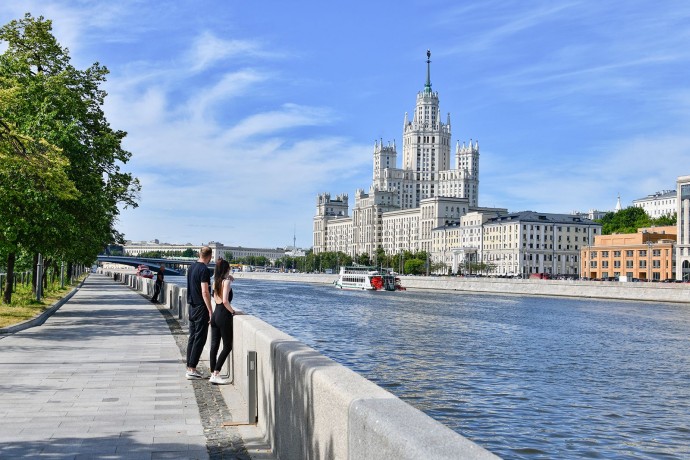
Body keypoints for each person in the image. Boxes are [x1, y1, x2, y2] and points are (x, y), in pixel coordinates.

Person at [209, 259, 244, 384]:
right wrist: (233, 312)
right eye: (228, 268)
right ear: (226, 269)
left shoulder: (215, 282)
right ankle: (217, 373)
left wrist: (227, 277)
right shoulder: (226, 282)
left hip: (215, 315)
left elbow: (217, 298)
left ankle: (212, 372)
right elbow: (225, 301)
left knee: (214, 346)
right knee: (227, 346)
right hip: (224, 315)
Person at [186, 246, 213, 380]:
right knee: (200, 338)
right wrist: (210, 309)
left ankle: (189, 367)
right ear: (210, 256)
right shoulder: (204, 270)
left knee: (192, 337)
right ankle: (192, 368)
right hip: (200, 307)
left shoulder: (191, 268)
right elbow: (205, 291)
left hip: (191, 306)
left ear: (199, 254)